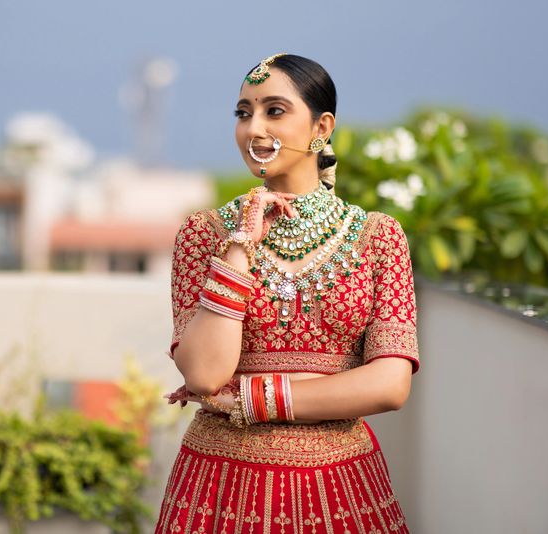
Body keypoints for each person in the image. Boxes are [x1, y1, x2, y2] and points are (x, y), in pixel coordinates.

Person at [154, 53, 418, 534]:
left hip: (340, 487)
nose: (253, 129)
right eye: (243, 112)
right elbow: (206, 373)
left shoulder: (377, 237)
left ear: (322, 126)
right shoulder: (204, 234)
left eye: (274, 111)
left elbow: (389, 385)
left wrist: (254, 398)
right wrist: (239, 250)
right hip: (220, 488)